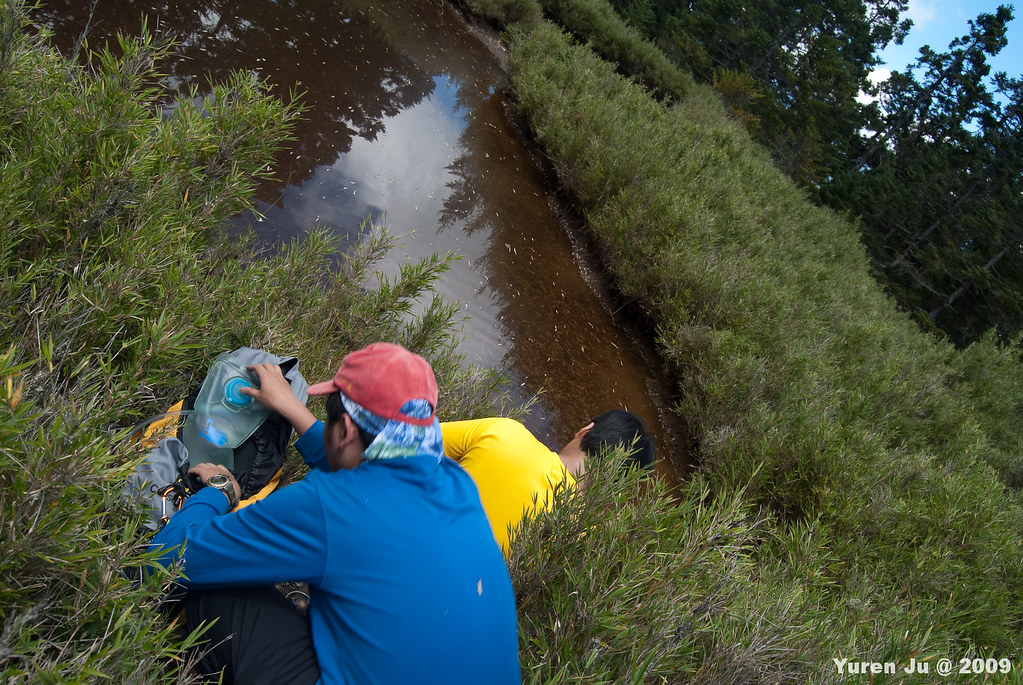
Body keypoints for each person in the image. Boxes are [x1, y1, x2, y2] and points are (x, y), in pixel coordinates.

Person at [151, 342, 521, 685]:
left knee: (217, 587)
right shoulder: (458, 484)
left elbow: (165, 559)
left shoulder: (328, 505)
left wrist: (218, 492)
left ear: (344, 429)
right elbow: (365, 485)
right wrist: (293, 410)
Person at [441, 409, 656, 555]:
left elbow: (411, 441)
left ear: (584, 431)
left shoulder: (505, 433)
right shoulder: (579, 537)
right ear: (616, 488)